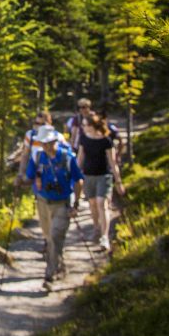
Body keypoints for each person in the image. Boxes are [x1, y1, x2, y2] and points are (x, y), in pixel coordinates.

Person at [26, 126, 85, 289]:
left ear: (54, 141)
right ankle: (60, 266)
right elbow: (29, 175)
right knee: (49, 237)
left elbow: (79, 180)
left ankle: (49, 275)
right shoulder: (38, 157)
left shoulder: (67, 157)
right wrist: (20, 181)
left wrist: (76, 204)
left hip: (62, 204)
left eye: (48, 143)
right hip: (43, 202)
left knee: (55, 236)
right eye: (43, 143)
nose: (45, 146)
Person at [77, 115, 125, 251]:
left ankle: (105, 237)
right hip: (88, 176)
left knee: (101, 203)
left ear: (93, 125)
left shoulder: (106, 141)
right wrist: (74, 174)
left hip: (103, 176)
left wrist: (118, 182)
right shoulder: (84, 139)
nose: (83, 127)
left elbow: (112, 162)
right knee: (92, 203)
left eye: (86, 125)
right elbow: (80, 158)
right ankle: (96, 227)